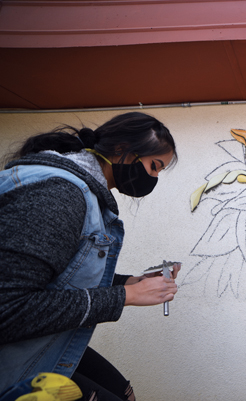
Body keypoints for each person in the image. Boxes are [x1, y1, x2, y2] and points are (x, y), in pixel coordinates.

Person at [0, 112, 181, 401]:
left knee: (124, 393)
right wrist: (125, 295)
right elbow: (9, 309)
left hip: (41, 339)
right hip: (13, 363)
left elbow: (59, 278)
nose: (154, 178)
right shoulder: (60, 194)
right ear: (122, 150)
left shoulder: (84, 193)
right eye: (154, 166)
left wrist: (132, 282)